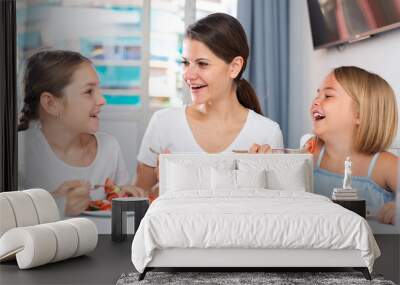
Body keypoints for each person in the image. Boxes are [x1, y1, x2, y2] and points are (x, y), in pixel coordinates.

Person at [133, 13, 284, 197]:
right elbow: (139, 198)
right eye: (185, 63)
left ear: (234, 67)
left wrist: (260, 182)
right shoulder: (163, 123)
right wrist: (161, 188)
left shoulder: (266, 133)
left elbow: (275, 213)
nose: (188, 75)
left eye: (202, 64)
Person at [18, 50, 133, 216]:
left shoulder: (109, 147)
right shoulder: (19, 151)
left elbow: (116, 201)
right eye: (88, 92)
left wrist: (124, 195)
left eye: (97, 89)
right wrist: (55, 204)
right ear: (50, 104)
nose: (102, 100)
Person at [304, 66, 398, 224]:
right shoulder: (311, 151)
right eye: (317, 94)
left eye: (327, 95)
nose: (315, 101)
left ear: (359, 114)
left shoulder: (385, 165)